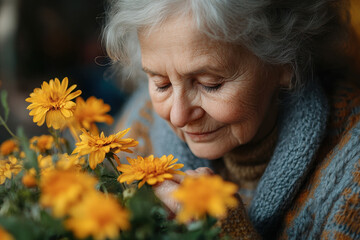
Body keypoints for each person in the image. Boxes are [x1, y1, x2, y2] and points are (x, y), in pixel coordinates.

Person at [103, 0, 360, 239]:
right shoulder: (140, 122)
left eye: (210, 84)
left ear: (286, 61)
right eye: (162, 84)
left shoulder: (351, 171)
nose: (178, 116)